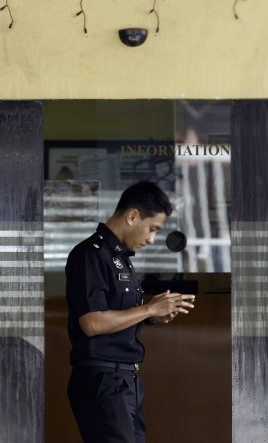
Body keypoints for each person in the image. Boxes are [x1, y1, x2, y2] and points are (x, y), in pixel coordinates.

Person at [65, 180, 196, 443]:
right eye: (152, 229)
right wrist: (148, 309)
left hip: (125, 379)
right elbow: (92, 323)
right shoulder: (91, 255)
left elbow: (118, 316)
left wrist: (151, 315)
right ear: (132, 215)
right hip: (102, 380)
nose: (151, 239)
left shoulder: (121, 259)